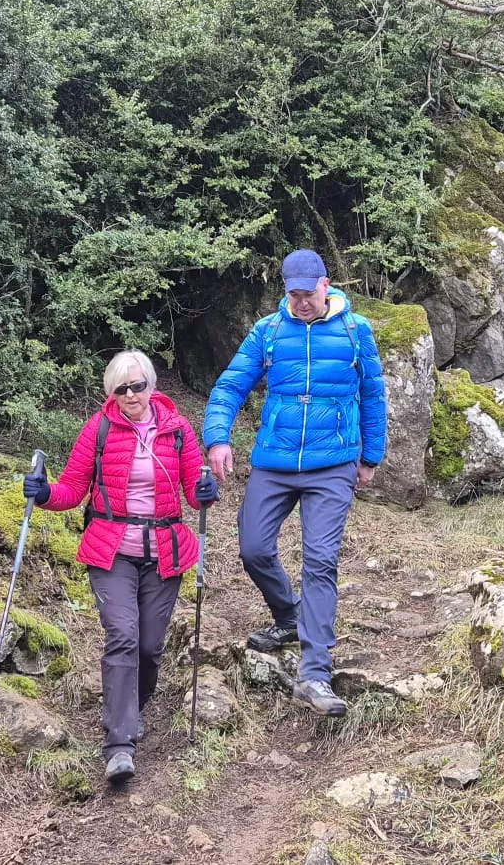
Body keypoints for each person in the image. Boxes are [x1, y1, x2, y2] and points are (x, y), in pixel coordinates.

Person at [203, 248, 388, 717]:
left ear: (326, 285)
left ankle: (315, 675)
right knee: (253, 548)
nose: (301, 302)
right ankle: (288, 615)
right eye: (293, 294)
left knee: (321, 560)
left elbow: (373, 393)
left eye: (308, 293)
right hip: (275, 460)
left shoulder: (355, 330)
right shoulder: (268, 332)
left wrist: (370, 456)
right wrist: (218, 439)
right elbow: (230, 386)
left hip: (333, 464)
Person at [23, 350, 218, 786]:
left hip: (165, 551)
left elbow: (194, 493)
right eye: (122, 388)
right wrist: (43, 492)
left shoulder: (177, 428)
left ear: (151, 385)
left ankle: (135, 706)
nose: (132, 394)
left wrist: (207, 489)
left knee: (149, 647)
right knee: (123, 637)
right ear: (111, 393)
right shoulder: (99, 428)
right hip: (112, 549)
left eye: (138, 385)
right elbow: (73, 489)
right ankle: (119, 745)